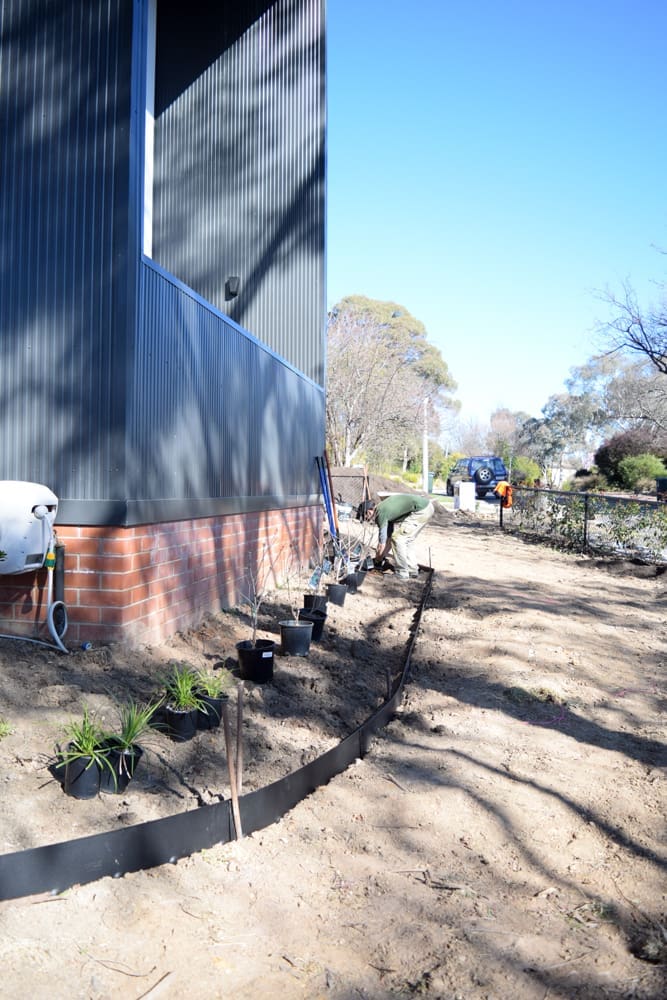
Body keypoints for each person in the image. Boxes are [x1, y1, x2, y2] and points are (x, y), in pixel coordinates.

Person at [359, 494, 434, 579]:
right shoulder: (385, 509)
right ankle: (412, 570)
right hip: (427, 507)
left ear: (369, 512)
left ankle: (402, 573)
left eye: (365, 516)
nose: (366, 519)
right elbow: (389, 539)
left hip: (420, 510)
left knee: (398, 539)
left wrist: (377, 561)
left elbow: (382, 544)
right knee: (406, 540)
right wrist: (382, 556)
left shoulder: (380, 513)